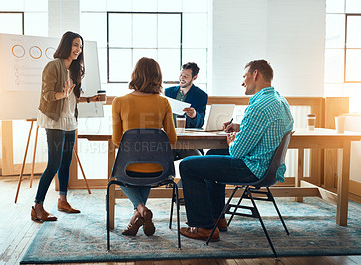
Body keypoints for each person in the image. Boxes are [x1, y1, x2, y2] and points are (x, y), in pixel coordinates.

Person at [179, 60, 294, 241]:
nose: (243, 82)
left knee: (187, 166)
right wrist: (240, 127)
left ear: (255, 74)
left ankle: (204, 227)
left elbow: (237, 152)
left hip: (252, 168)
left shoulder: (258, 106)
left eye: (244, 76)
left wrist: (232, 141)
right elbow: (268, 129)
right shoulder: (280, 101)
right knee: (212, 155)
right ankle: (218, 218)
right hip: (268, 167)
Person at [31, 31, 101, 223]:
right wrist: (62, 94)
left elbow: (73, 97)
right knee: (53, 163)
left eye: (80, 46)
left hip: (70, 120)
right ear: (66, 45)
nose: (78, 49)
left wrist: (90, 99)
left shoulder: (75, 69)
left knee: (66, 162)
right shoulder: (53, 66)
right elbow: (47, 95)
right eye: (75, 45)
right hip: (54, 119)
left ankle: (63, 201)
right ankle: (37, 206)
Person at [112, 57, 177, 236]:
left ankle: (140, 210)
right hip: (158, 169)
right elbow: (171, 139)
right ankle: (139, 212)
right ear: (158, 78)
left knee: (118, 174)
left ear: (135, 75)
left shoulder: (119, 101)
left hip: (129, 169)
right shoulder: (163, 102)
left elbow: (117, 140)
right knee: (148, 165)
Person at [165, 62, 208, 186]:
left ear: (194, 78)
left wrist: (194, 115)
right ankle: (169, 186)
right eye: (181, 75)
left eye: (186, 76)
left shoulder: (201, 96)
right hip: (170, 139)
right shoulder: (168, 92)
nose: (182, 79)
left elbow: (200, 123)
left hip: (188, 141)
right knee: (163, 158)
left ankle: (180, 190)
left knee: (199, 160)